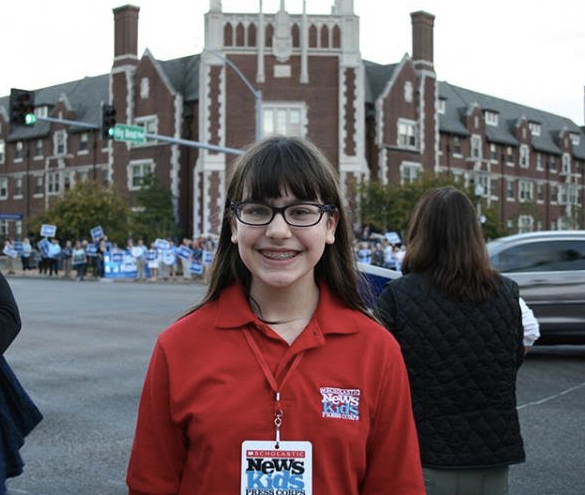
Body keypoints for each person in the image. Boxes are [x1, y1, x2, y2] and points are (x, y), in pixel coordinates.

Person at [126, 136, 425, 495]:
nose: (278, 231)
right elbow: (151, 485)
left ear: (330, 226)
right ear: (234, 226)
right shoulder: (177, 347)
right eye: (256, 210)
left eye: (300, 212)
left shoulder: (377, 350)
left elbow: (396, 486)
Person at [375, 186, 539, 495]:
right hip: (492, 463)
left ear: (420, 231)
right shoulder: (507, 293)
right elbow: (530, 332)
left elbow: (376, 373)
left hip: (424, 458)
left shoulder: (399, 296)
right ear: (473, 234)